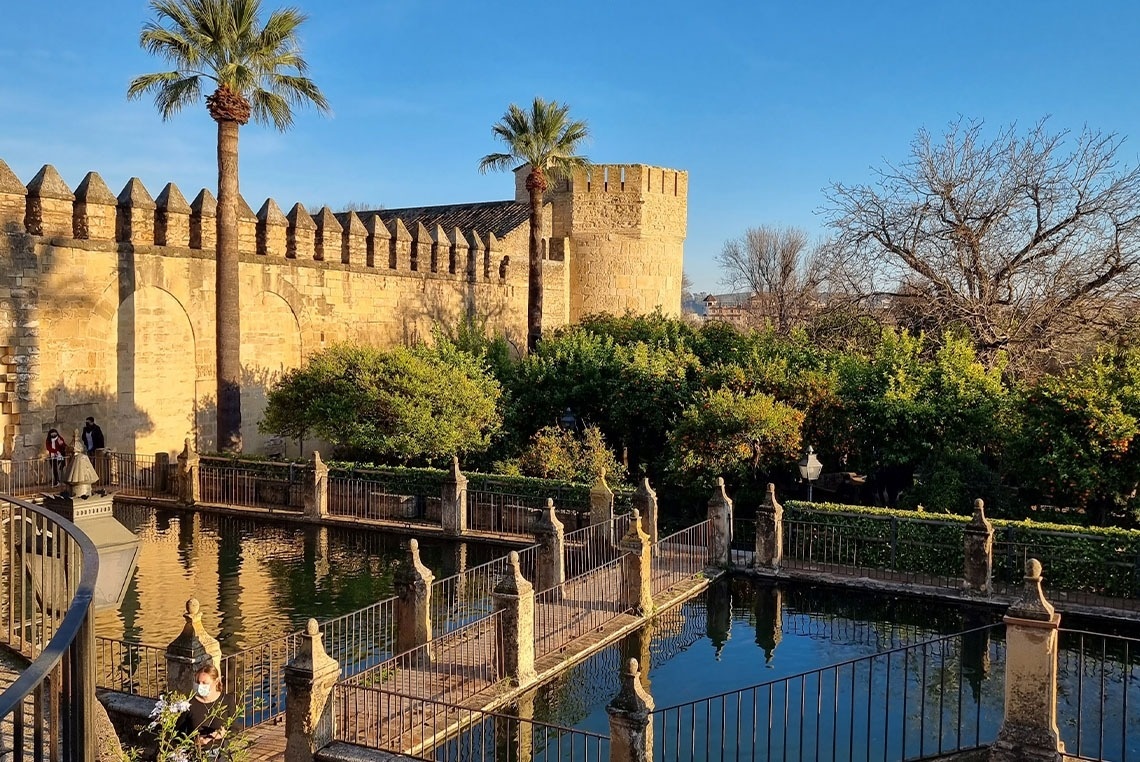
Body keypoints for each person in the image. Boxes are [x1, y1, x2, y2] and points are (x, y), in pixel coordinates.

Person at [176, 664, 237, 754]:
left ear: (216, 682)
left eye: (205, 683)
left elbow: (235, 728)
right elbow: (177, 733)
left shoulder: (227, 700)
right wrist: (194, 741)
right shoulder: (189, 704)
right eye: (198, 682)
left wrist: (224, 734)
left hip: (220, 754)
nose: (200, 686)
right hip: (197, 753)